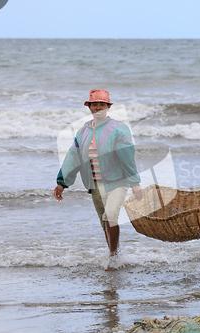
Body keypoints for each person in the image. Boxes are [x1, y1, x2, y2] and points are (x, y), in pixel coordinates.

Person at [54, 89, 143, 271]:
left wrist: (134, 184)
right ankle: (114, 253)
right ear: (90, 107)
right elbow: (74, 156)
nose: (98, 107)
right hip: (95, 183)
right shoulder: (83, 131)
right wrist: (62, 182)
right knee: (104, 221)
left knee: (111, 215)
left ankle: (113, 257)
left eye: (102, 104)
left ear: (108, 107)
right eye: (94, 104)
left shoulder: (119, 128)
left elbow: (127, 156)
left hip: (117, 181)